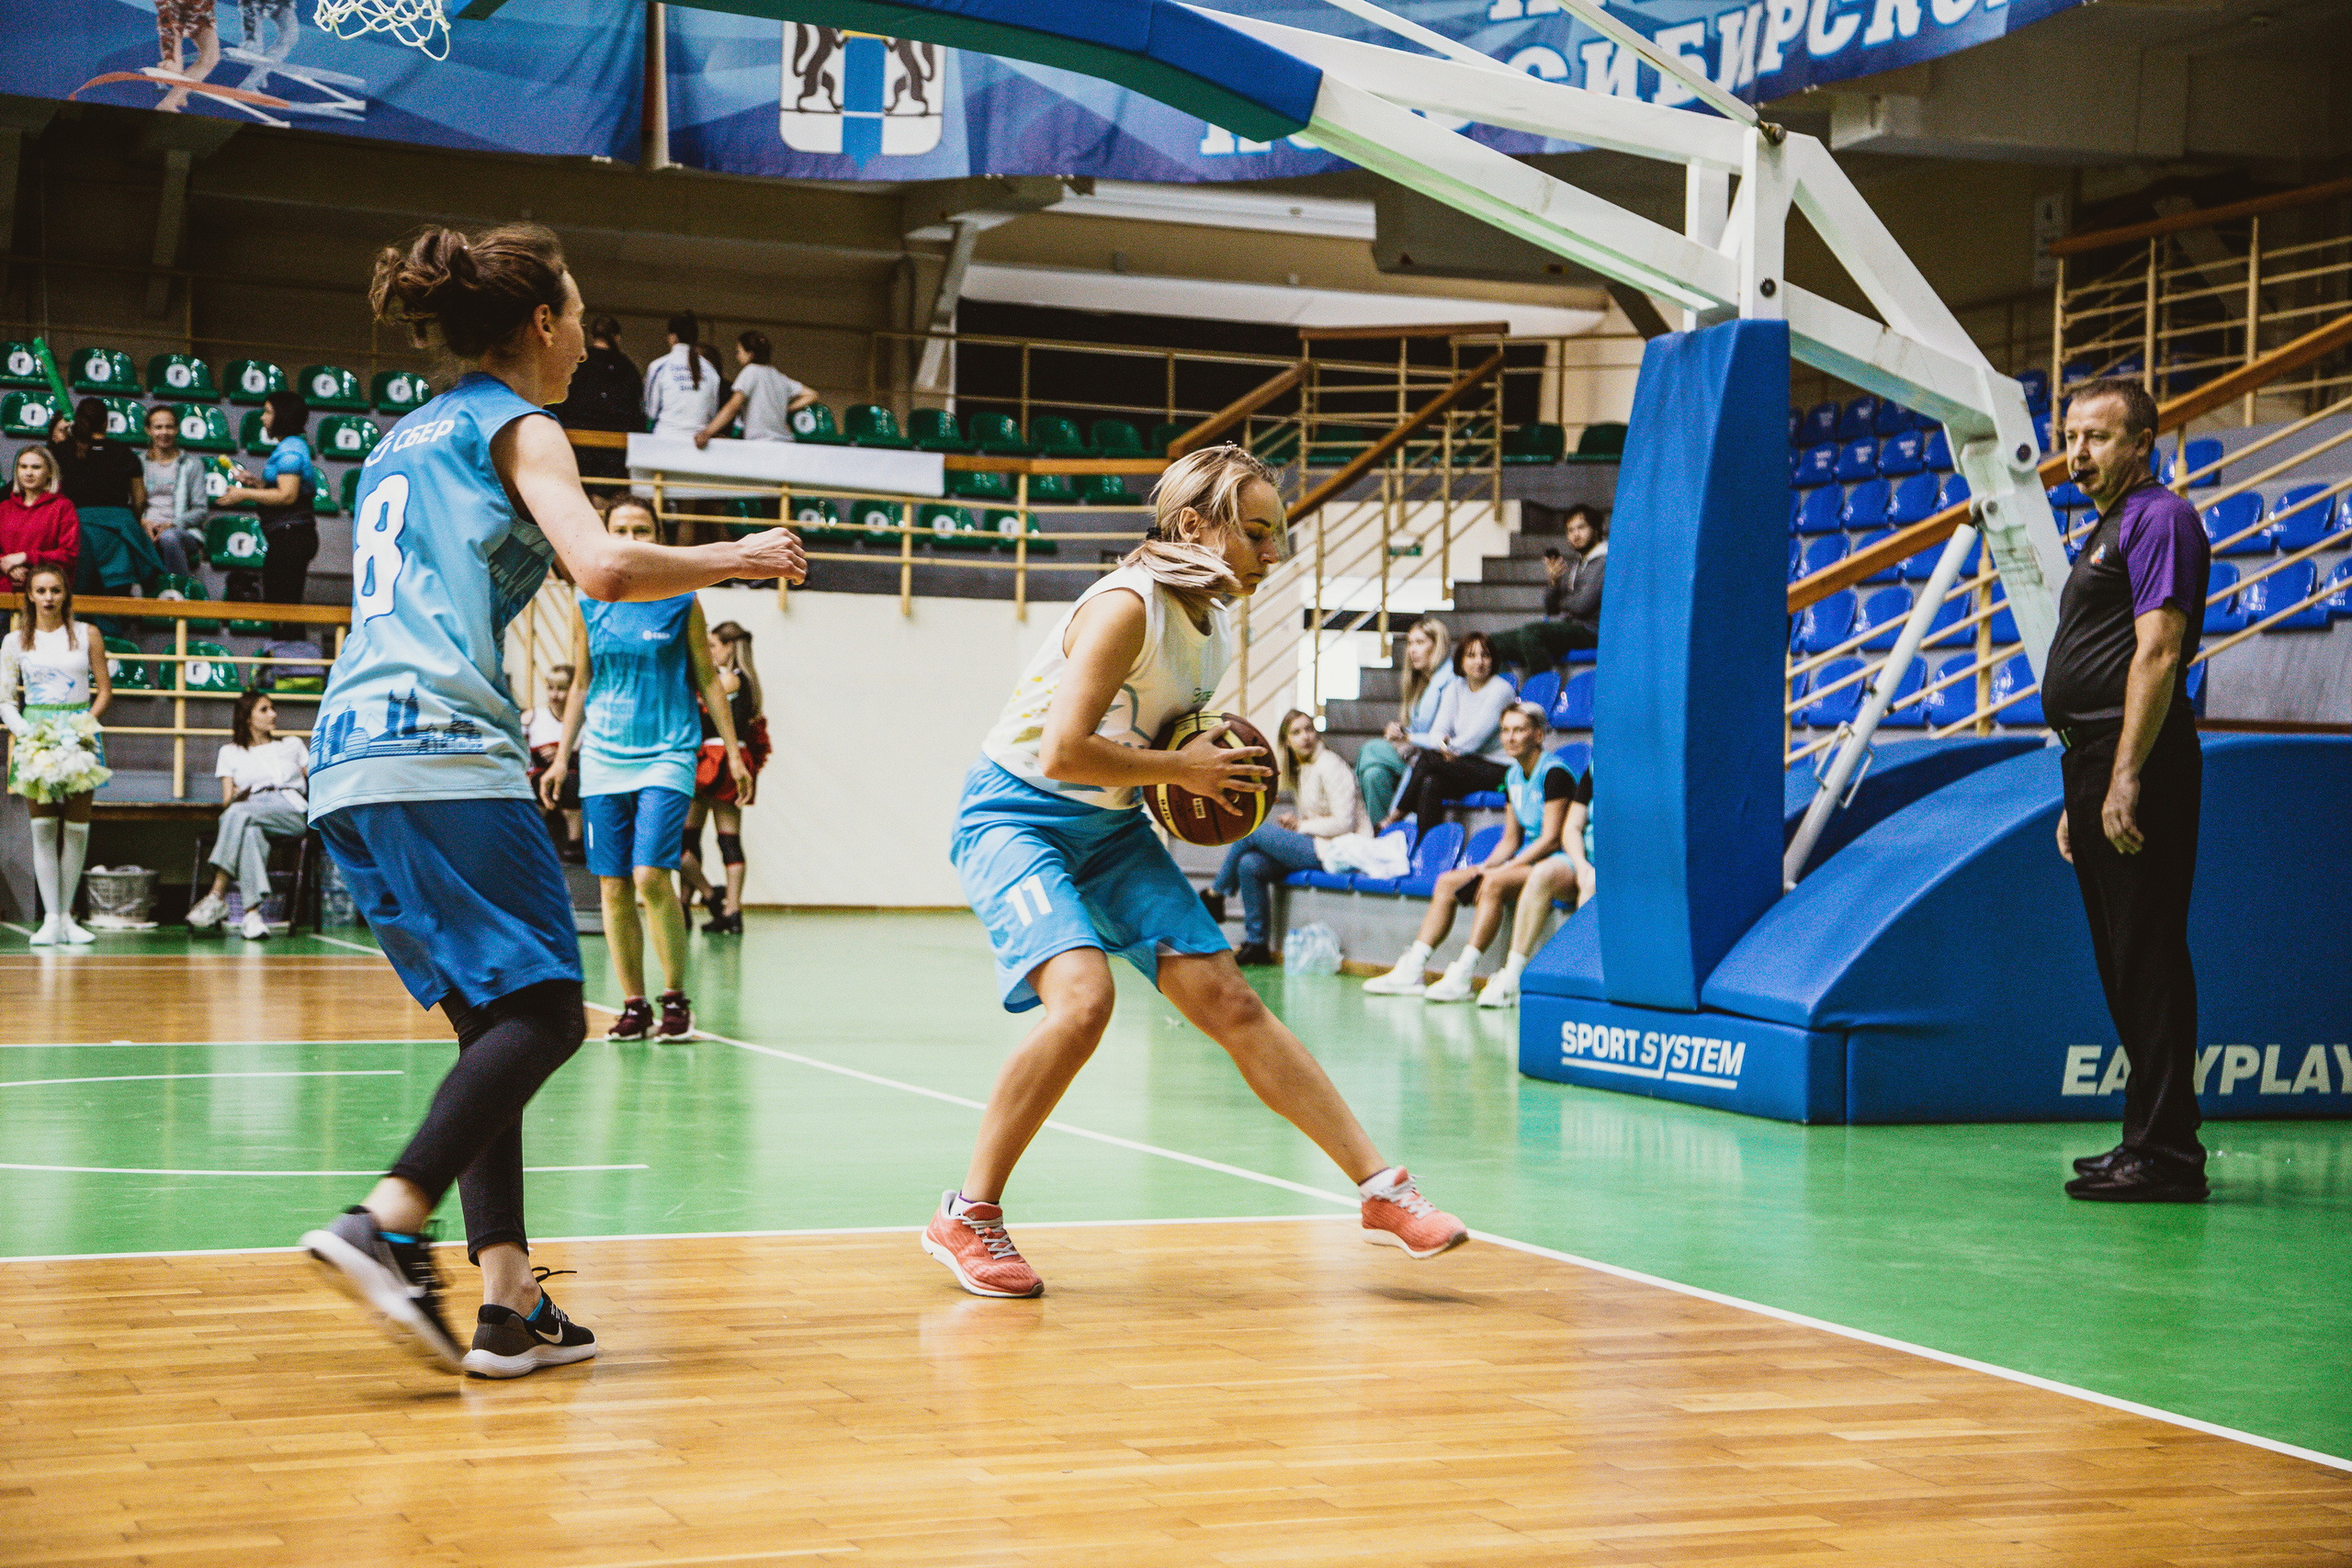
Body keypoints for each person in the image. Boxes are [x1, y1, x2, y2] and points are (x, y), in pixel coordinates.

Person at [297, 221, 806, 1380]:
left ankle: (509, 1302)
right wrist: (736, 553)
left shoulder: (402, 436)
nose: (586, 336)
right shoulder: (518, 422)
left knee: (495, 1022)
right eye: (577, 313)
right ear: (540, 322)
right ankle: (385, 1221)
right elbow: (607, 569)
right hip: (438, 742)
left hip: (351, 754)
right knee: (548, 1015)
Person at [925, 444, 1466, 1301]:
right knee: (1084, 999)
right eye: (1256, 533)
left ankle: (1380, 1189)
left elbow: (1158, 747)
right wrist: (1185, 775)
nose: (1272, 554)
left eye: (1276, 536)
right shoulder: (1123, 607)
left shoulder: (1211, 623)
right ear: (1192, 526)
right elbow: (1064, 751)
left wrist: (1198, 772)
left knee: (1232, 999)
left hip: (1111, 825)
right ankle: (968, 1212)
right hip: (1016, 814)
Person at [2044, 378, 2211, 1204]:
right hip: (2096, 760)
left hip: (2136, 756)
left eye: (2099, 437)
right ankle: (2144, 1137)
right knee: (2123, 959)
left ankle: (2171, 1155)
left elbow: (2158, 649)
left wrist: (2125, 775)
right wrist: (2082, 789)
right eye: (2072, 436)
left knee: (2147, 953)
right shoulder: (2107, 526)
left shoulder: (2161, 518)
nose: (2079, 453)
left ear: (2143, 441)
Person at [539, 499, 753, 1043]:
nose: (631, 537)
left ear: (655, 537)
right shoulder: (589, 600)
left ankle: (675, 998)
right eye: (621, 530)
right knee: (612, 886)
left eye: (641, 530)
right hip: (606, 758)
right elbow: (583, 681)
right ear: (606, 536)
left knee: (650, 876)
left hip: (668, 754)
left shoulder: (683, 600)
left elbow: (707, 679)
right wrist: (564, 756)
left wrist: (731, 752)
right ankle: (633, 1005)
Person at [1364, 703, 1572, 1000]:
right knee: (1449, 882)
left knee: (1494, 883)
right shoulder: (1512, 776)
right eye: (1505, 730)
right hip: (1523, 858)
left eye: (1519, 730)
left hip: (1552, 862)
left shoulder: (1555, 774)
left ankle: (1463, 972)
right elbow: (1511, 839)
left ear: (1538, 735)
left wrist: (1502, 869)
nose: (1510, 737)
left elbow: (1551, 839)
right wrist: (1486, 865)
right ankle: (1413, 968)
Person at [1202, 707, 1366, 966]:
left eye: (1309, 729)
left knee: (1253, 831)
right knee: (1249, 865)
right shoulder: (1303, 769)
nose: (1305, 737)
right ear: (1287, 741)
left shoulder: (1330, 764)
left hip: (1344, 849)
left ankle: (1215, 894)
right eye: (1297, 732)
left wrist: (1301, 827)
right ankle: (1257, 944)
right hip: (1324, 846)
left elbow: (1345, 823)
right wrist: (1299, 824)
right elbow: (1320, 818)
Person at [2, 563, 112, 945]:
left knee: (77, 829)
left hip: (79, 734)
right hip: (35, 736)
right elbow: (4, 701)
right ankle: (50, 919)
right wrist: (29, 733)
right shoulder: (14, 641)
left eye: (55, 590)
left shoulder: (87, 634)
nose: (48, 598)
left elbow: (103, 691)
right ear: (29, 595)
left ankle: (68, 917)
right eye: (41, 591)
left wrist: (83, 725)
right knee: (44, 829)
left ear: (66, 594)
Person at [187, 689, 308, 941]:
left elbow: (316, 779)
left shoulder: (292, 744)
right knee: (250, 833)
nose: (273, 714)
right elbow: (227, 802)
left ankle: (216, 894)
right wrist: (238, 797)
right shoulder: (230, 752)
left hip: (290, 807)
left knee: (239, 815)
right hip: (251, 808)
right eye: (264, 709)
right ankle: (252, 915)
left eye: (272, 708)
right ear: (247, 718)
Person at [1476, 760, 1594, 1010]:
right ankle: (1513, 975)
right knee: (1542, 873)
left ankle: (1586, 979)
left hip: (1618, 863)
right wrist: (1581, 863)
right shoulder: (1596, 767)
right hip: (1582, 857)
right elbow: (1572, 827)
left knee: (1593, 883)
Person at [678, 619, 765, 935]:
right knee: (724, 839)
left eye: (714, 645)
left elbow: (698, 708)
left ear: (729, 647)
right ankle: (729, 909)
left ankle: (709, 897)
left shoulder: (727, 680)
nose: (709, 651)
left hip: (714, 759)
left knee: (683, 838)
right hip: (730, 758)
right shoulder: (749, 680)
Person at [1388, 630, 1515, 836]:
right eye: (1471, 656)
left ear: (1493, 660)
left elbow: (1473, 741)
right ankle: (1427, 846)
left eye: (1486, 655)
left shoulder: (1501, 690)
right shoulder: (1456, 687)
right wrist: (1443, 746)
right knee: (1431, 782)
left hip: (1500, 769)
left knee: (1429, 758)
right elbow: (1438, 732)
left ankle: (1395, 816)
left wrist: (1446, 749)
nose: (1479, 662)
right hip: (1465, 764)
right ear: (1461, 661)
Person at [216, 389, 317, 621]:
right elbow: (285, 490)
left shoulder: (291, 449)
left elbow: (287, 496)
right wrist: (257, 484)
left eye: (268, 412)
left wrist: (243, 494)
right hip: (287, 535)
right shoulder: (290, 446)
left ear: (282, 416)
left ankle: (288, 654)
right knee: (279, 604)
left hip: (291, 536)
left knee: (283, 610)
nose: (262, 418)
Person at [53, 399, 160, 599]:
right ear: (106, 422)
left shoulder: (62, 450)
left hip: (76, 530)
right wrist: (133, 520)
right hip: (118, 532)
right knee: (114, 600)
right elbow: (139, 498)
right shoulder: (124, 452)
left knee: (77, 598)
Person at [1353, 615, 1454, 824]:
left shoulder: (1451, 681)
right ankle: (1382, 836)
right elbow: (1416, 726)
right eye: (1410, 643)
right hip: (1415, 752)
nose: (1412, 650)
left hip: (1435, 757)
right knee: (1373, 774)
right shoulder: (1421, 683)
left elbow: (1441, 735)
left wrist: (1406, 736)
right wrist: (1399, 729)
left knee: (1371, 750)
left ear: (1437, 646)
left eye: (1420, 642)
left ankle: (1368, 823)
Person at [1487, 506, 1606, 671]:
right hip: (1569, 629)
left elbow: (1581, 606)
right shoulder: (1577, 564)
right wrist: (1554, 582)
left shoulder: (1604, 562)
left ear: (1596, 529)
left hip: (1590, 632)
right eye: (1570, 530)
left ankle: (1541, 693)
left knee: (1532, 633)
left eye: (1581, 528)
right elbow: (1551, 609)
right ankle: (1506, 692)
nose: (1575, 535)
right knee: (1492, 644)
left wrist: (1561, 602)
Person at [549, 314, 641, 486]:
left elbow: (560, 398)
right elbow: (635, 407)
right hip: (614, 443)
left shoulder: (578, 363)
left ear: (591, 336)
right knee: (604, 493)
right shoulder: (626, 367)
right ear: (617, 337)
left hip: (576, 436)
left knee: (578, 488)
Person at [695, 330, 818, 449]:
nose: (737, 356)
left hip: (762, 445)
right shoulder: (779, 376)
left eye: (739, 352)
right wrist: (785, 409)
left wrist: (707, 432)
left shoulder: (751, 371)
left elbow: (733, 406)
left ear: (750, 354)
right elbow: (812, 394)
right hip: (786, 444)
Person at [141, 405, 210, 579]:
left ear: (177, 429)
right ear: (148, 430)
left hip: (182, 531)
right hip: (147, 528)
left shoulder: (192, 464)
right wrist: (144, 523)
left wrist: (172, 524)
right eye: (158, 427)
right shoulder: (139, 463)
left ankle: (179, 590)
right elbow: (130, 503)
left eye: (169, 426)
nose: (164, 432)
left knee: (169, 538)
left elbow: (201, 510)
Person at [521, 664, 580, 859]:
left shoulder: (586, 722)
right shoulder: (532, 717)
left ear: (573, 690)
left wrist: (565, 756)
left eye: (561, 689)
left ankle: (575, 842)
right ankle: (532, 841)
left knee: (571, 782)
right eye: (550, 688)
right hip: (538, 778)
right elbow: (518, 756)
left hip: (574, 783)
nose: (554, 695)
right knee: (540, 782)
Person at [1, 446, 79, 589]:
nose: (29, 473)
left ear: (50, 472)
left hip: (46, 594)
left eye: (36, 467)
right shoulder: (4, 508)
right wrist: (8, 565)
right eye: (23, 467)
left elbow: (69, 555)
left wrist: (26, 557)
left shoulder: (63, 507)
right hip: (4, 593)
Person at [154, 0, 221, 114]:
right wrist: (169, 55)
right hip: (173, 19)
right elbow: (166, 19)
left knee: (212, 58)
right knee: (174, 67)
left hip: (200, 19)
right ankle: (167, 103)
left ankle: (177, 95)